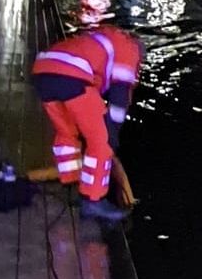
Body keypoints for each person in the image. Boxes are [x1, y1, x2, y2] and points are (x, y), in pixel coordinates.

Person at [31, 25, 143, 221]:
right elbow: (119, 96)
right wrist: (113, 131)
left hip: (42, 72)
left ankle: (72, 185)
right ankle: (93, 201)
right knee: (102, 141)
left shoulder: (101, 40)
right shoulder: (129, 49)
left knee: (67, 133)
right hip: (71, 76)